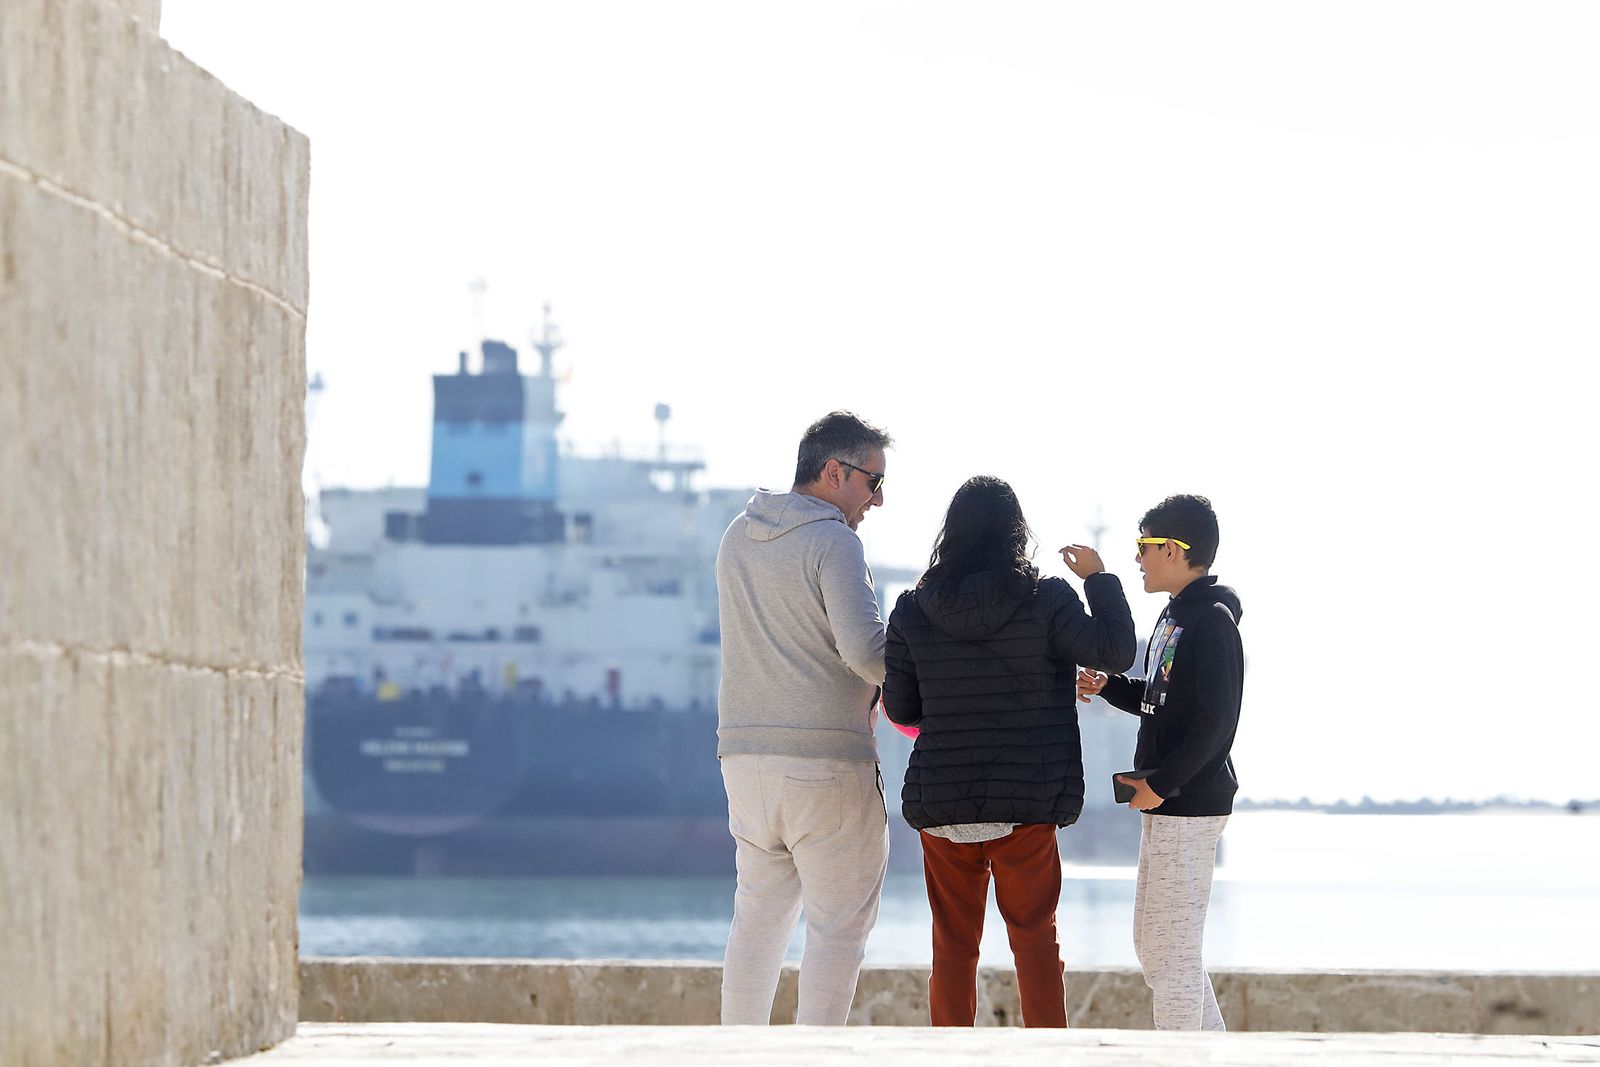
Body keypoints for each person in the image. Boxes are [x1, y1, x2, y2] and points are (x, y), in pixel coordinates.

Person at [883, 476, 1135, 1027]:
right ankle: (1048, 1053)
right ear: (1015, 533)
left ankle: (949, 1055)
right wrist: (1099, 579)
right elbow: (1116, 651)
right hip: (1027, 800)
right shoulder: (1047, 600)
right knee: (1035, 939)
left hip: (945, 803)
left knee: (952, 945)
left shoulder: (912, 611)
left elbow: (900, 710)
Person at [714, 411, 894, 1026]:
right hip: (824, 763)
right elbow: (869, 655)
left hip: (743, 760)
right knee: (838, 930)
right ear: (833, 470)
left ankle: (736, 1056)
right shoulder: (833, 541)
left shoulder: (738, 534)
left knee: (757, 922)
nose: (875, 500)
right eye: (873, 482)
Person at [1076, 493, 1243, 1031]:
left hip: (1188, 801)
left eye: (1144, 547)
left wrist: (1165, 785)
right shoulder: (1174, 617)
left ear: (1174, 549)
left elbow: (1217, 720)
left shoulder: (1213, 620)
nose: (1138, 559)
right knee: (1157, 945)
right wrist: (1110, 688)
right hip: (1169, 799)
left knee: (1170, 951)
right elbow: (1162, 697)